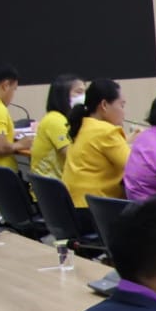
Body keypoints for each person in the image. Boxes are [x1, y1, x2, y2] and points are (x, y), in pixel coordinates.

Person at [62, 80, 131, 231]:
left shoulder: (84, 124)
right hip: (96, 212)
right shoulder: (106, 131)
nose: (124, 112)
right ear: (104, 105)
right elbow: (135, 168)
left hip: (74, 207)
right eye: (122, 105)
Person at [30, 73, 84, 180]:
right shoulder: (55, 120)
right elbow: (73, 158)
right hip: (53, 187)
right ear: (63, 95)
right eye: (79, 92)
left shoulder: (63, 119)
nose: (84, 97)